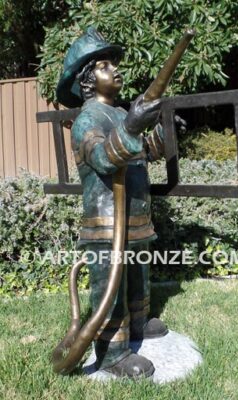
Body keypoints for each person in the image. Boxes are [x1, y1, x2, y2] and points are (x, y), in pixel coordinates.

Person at [56, 27, 168, 378]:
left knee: (137, 278)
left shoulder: (120, 113)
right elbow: (104, 158)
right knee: (111, 290)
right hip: (107, 225)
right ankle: (112, 354)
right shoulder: (86, 120)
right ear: (87, 82)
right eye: (104, 66)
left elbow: (143, 152)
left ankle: (138, 323)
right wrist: (133, 127)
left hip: (135, 219)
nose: (115, 70)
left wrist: (161, 133)